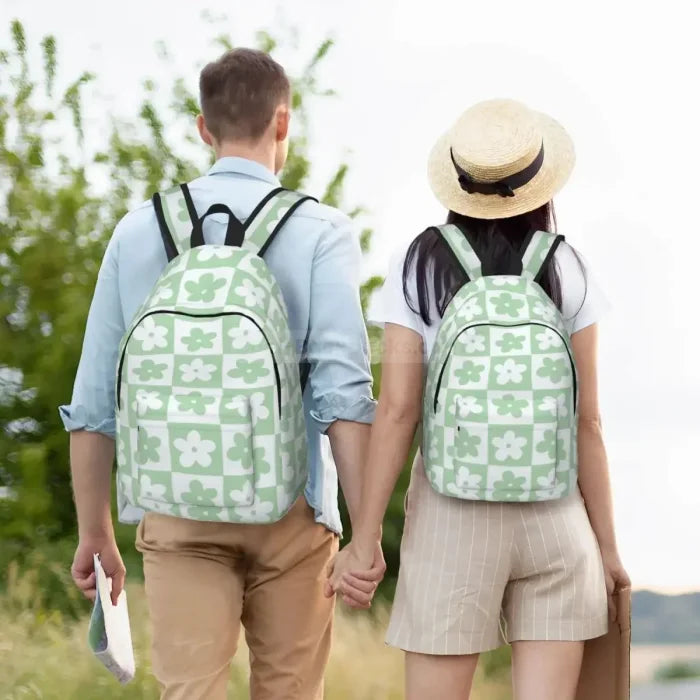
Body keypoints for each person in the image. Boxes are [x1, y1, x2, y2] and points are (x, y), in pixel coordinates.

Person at [61, 48, 384, 700]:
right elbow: (343, 395)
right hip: (293, 510)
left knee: (189, 691)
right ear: (283, 123)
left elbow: (96, 399)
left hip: (177, 507)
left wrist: (95, 532)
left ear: (203, 128)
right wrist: (365, 534)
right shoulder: (321, 230)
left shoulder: (138, 231)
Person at [328, 99, 630, 700]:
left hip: (451, 516)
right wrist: (608, 549)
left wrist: (364, 539)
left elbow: (397, 410)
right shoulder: (567, 266)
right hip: (556, 517)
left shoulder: (418, 264)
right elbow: (587, 422)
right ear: (539, 184)